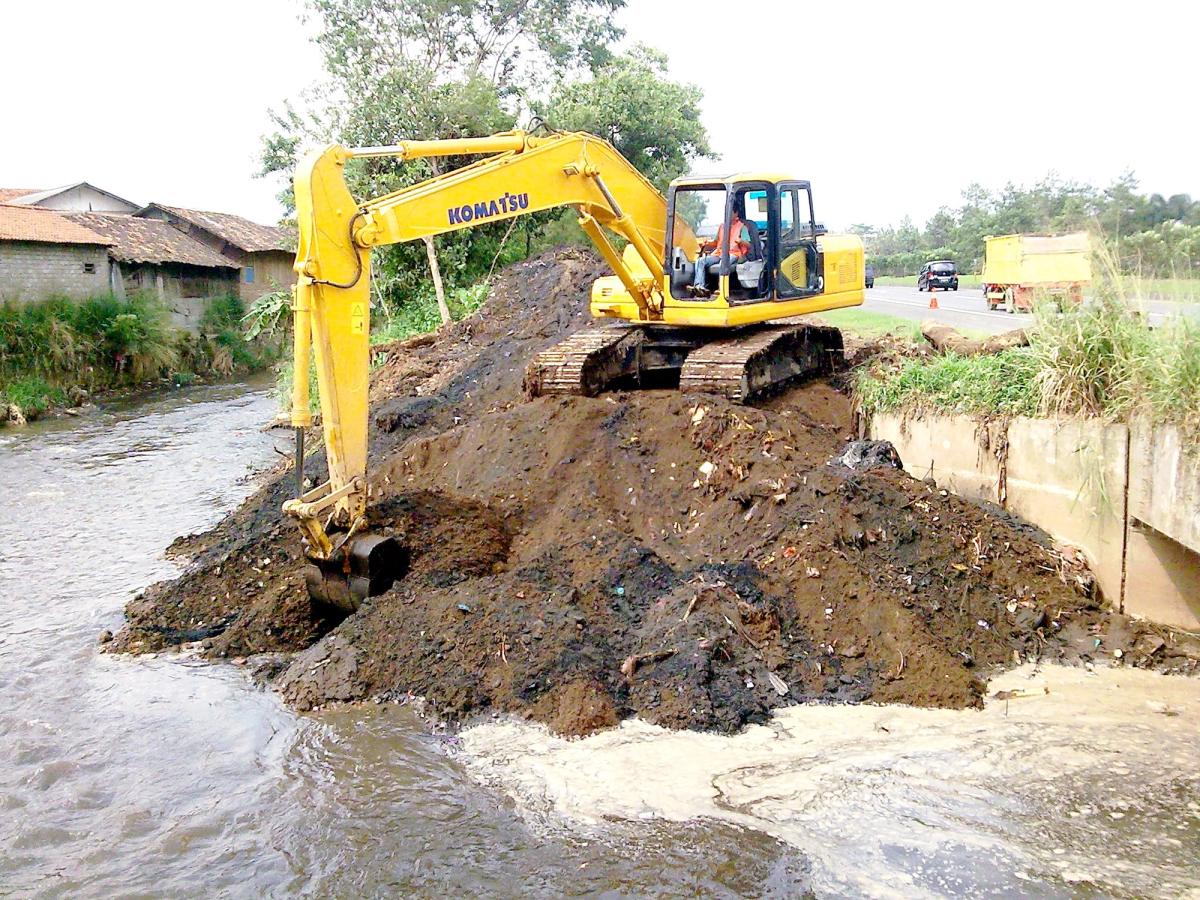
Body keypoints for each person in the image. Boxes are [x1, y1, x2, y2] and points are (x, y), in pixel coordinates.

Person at [690, 202, 753, 294]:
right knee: (700, 261)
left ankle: (721, 289)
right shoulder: (722, 227)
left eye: (730, 212)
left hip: (734, 254)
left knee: (723, 262)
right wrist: (707, 243)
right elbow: (716, 242)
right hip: (719, 253)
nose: (727, 214)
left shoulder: (742, 227)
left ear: (736, 213)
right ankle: (699, 287)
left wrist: (740, 241)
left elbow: (749, 244)